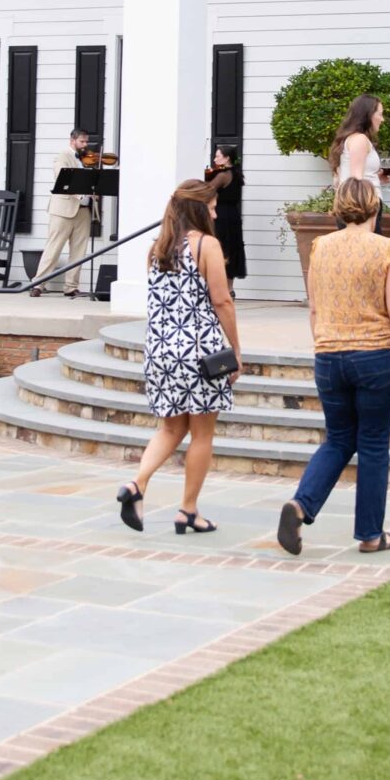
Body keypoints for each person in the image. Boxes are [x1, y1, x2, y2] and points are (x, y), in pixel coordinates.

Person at [278, 178, 390, 556]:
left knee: (339, 439)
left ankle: (301, 505)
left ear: (338, 209)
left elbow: (313, 308)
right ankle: (370, 535)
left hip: (329, 356)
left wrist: (323, 344)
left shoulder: (320, 247)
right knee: (373, 444)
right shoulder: (386, 248)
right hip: (375, 356)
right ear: (374, 209)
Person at [115, 180, 242, 535]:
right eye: (213, 206)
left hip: (160, 351)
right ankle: (187, 510)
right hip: (200, 353)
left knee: (171, 427)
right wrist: (235, 349)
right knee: (202, 434)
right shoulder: (207, 246)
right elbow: (222, 301)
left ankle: (137, 484)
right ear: (199, 209)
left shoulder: (158, 248)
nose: (216, 212)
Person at [33, 128, 94, 295]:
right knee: (54, 247)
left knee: (79, 251)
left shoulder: (88, 160)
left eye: (86, 141)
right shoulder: (62, 157)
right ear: (72, 141)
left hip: (84, 211)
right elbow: (63, 179)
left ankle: (71, 287)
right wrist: (82, 193)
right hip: (63, 209)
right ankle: (38, 284)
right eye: (82, 141)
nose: (85, 145)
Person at [203, 145, 247, 283]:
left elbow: (207, 190)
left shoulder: (222, 175)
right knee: (231, 248)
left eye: (218, 156)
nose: (215, 159)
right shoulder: (235, 172)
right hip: (233, 215)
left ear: (227, 158)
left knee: (222, 247)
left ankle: (218, 288)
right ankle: (230, 290)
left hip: (221, 215)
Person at [328, 94, 385, 190]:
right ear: (369, 115)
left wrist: (378, 179)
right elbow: (356, 181)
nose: (382, 119)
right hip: (364, 203)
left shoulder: (354, 138)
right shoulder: (359, 139)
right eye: (380, 114)